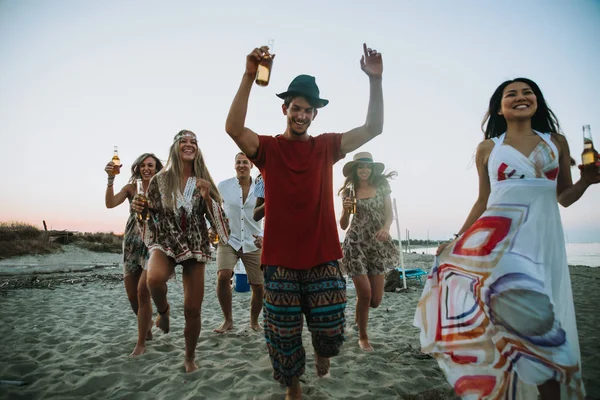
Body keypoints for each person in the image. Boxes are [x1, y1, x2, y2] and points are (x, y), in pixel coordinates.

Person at [413, 78, 599, 399]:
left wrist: (587, 181)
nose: (520, 97)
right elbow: (483, 201)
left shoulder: (557, 142)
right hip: (502, 250)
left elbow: (564, 197)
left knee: (543, 325)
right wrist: (458, 239)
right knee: (537, 329)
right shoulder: (489, 148)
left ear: (537, 101)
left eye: (527, 92)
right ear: (499, 107)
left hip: (545, 246)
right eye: (510, 94)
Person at [225, 42, 384, 399]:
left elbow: (374, 127)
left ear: (315, 115)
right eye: (296, 108)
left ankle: (323, 353)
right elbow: (233, 127)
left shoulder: (326, 147)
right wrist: (250, 75)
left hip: (323, 256)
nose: (301, 115)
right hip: (279, 260)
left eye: (308, 111)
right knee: (283, 332)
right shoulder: (268, 149)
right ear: (285, 108)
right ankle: (293, 386)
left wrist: (375, 81)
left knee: (329, 330)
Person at [132, 130, 229, 372]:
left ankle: (189, 357)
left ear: (197, 149)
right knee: (153, 279)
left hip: (195, 245)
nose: (188, 145)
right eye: (183, 142)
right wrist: (139, 208)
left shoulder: (204, 181)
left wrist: (208, 199)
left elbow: (220, 225)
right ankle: (164, 312)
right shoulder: (160, 180)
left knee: (193, 309)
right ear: (175, 148)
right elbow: (148, 215)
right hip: (165, 240)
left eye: (193, 142)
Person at [338, 151, 399, 352]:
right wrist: (346, 210)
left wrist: (386, 228)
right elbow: (344, 225)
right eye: (360, 167)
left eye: (367, 167)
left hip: (377, 245)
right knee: (364, 293)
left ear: (372, 169)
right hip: (355, 244)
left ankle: (359, 316)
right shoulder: (350, 191)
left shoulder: (382, 187)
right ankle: (363, 337)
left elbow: (389, 214)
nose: (364, 170)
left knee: (375, 301)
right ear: (355, 170)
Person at [104, 153, 164, 356]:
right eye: (142, 165)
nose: (146, 168)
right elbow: (110, 203)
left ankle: (141, 343)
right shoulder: (131, 188)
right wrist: (111, 179)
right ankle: (146, 327)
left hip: (153, 243)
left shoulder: (163, 188)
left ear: (157, 169)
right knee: (132, 296)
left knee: (142, 292)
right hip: (131, 243)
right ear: (137, 168)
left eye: (150, 165)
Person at [212, 152, 264, 333]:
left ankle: (254, 321)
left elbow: (270, 211)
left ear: (251, 166)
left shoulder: (261, 186)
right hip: (229, 239)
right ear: (234, 165)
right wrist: (213, 229)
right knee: (223, 276)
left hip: (254, 241)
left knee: (259, 286)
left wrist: (264, 236)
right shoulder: (223, 186)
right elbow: (214, 210)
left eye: (245, 162)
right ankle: (228, 320)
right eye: (238, 162)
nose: (242, 165)